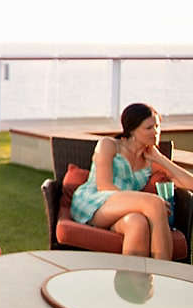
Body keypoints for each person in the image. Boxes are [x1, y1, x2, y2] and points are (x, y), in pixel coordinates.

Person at [70, 102, 193, 259]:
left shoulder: (150, 161)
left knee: (137, 223)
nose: (156, 132)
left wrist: (161, 158)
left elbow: (190, 183)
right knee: (154, 203)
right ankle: (164, 274)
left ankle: (133, 281)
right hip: (95, 202)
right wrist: (142, 202)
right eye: (149, 128)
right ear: (132, 130)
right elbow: (104, 186)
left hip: (126, 211)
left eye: (157, 126)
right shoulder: (109, 145)